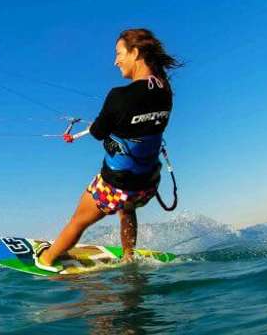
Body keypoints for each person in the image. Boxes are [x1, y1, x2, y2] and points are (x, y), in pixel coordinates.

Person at [34, 28, 181, 273]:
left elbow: (99, 133)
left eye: (119, 53)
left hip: (116, 185)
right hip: (147, 185)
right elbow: (137, 122)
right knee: (127, 209)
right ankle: (127, 256)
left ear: (135, 53)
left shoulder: (119, 96)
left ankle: (47, 260)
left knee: (78, 220)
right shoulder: (165, 91)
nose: (115, 61)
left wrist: (101, 124)